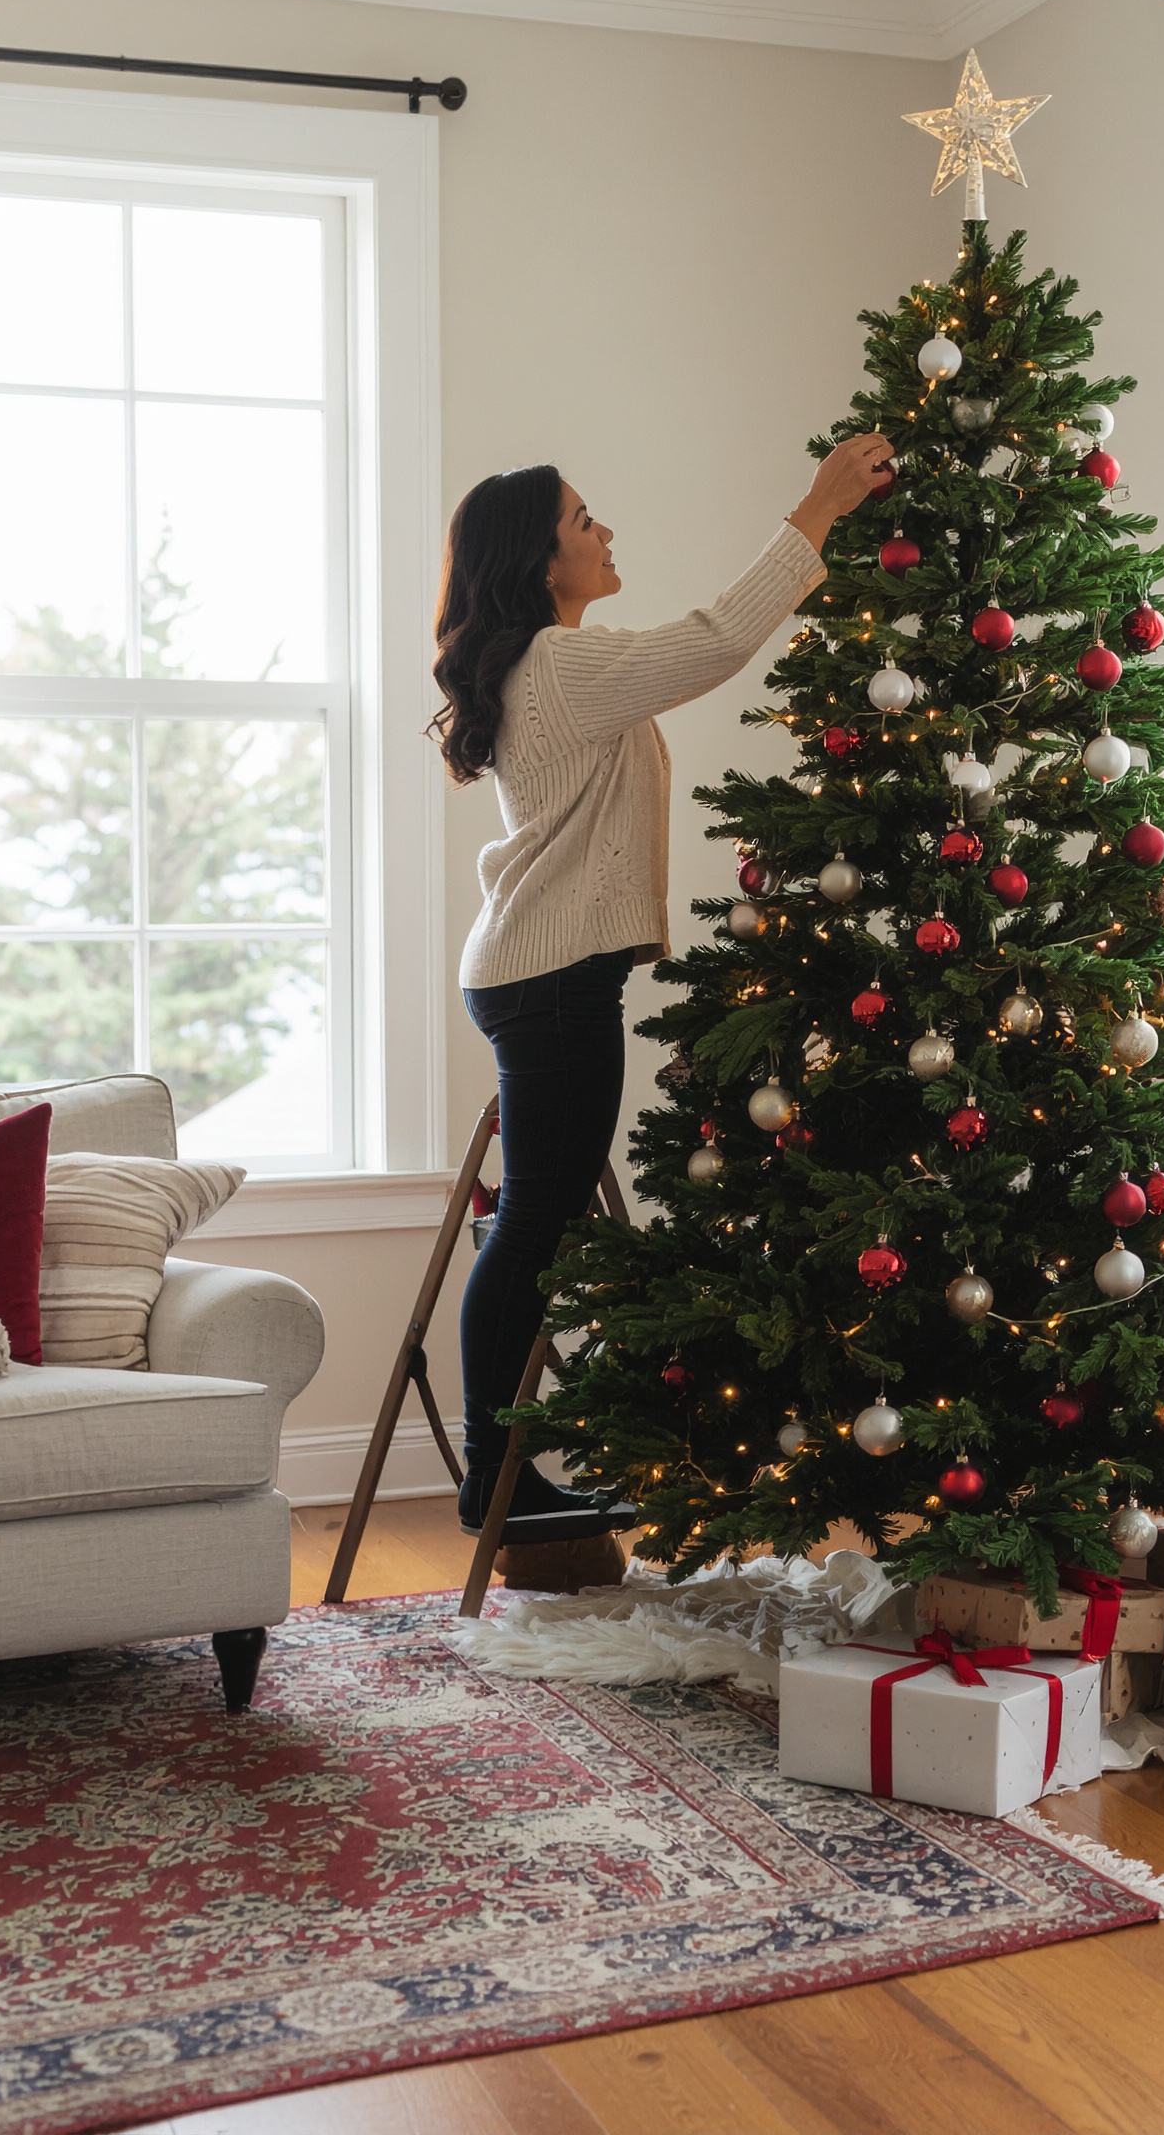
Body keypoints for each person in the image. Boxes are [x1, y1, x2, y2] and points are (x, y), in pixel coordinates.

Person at [429, 432, 893, 1542]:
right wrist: (818, 505)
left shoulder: (548, 668)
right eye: (584, 522)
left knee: (538, 1222)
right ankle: (498, 1478)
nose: (604, 533)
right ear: (542, 563)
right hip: (549, 982)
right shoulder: (559, 665)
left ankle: (504, 1470)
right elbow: (718, 638)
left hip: (541, 975)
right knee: (537, 1226)